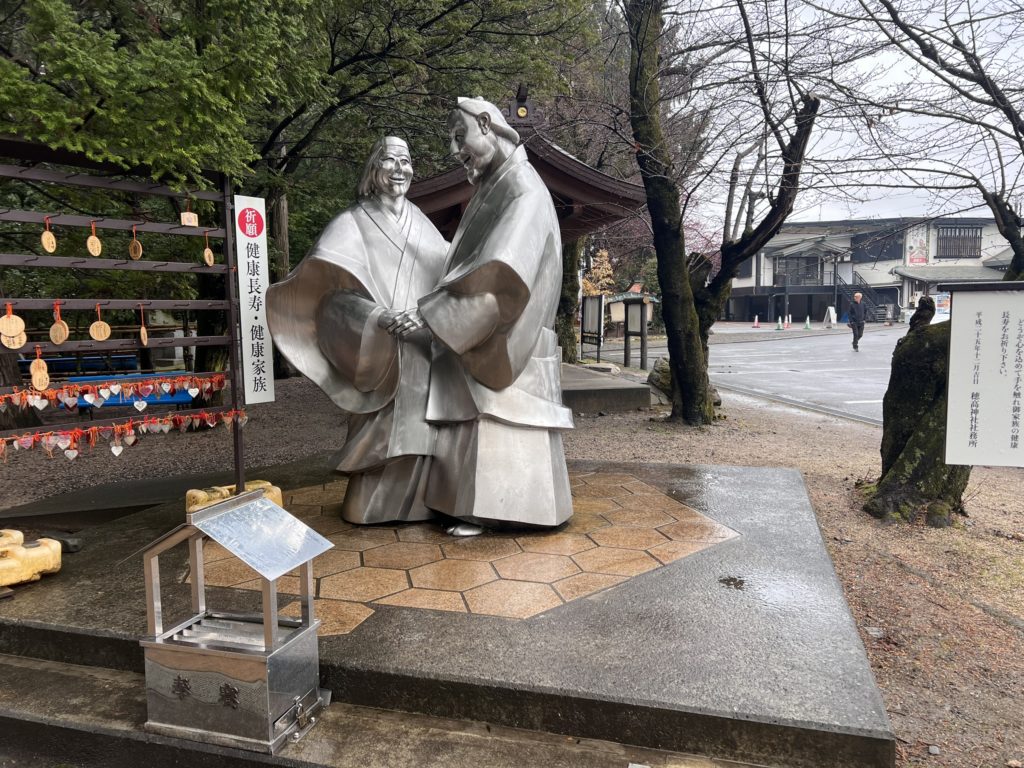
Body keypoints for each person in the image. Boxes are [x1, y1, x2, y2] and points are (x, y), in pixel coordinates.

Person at [388, 97, 574, 535]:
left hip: (508, 336)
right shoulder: (498, 185)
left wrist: (432, 316)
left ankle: (495, 510)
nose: (456, 151)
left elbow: (500, 277)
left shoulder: (524, 191)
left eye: (460, 137)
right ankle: (470, 506)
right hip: (487, 333)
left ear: (487, 125)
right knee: (474, 424)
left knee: (498, 421)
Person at [266, 137, 448, 524]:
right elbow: (327, 298)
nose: (399, 169)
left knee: (426, 431)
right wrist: (377, 317)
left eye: (406, 161)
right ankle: (374, 505)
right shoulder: (350, 223)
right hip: (379, 348)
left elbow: (449, 273)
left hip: (421, 346)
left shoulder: (421, 222)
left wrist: (427, 316)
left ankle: (424, 501)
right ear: (373, 168)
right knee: (386, 430)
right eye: (390, 160)